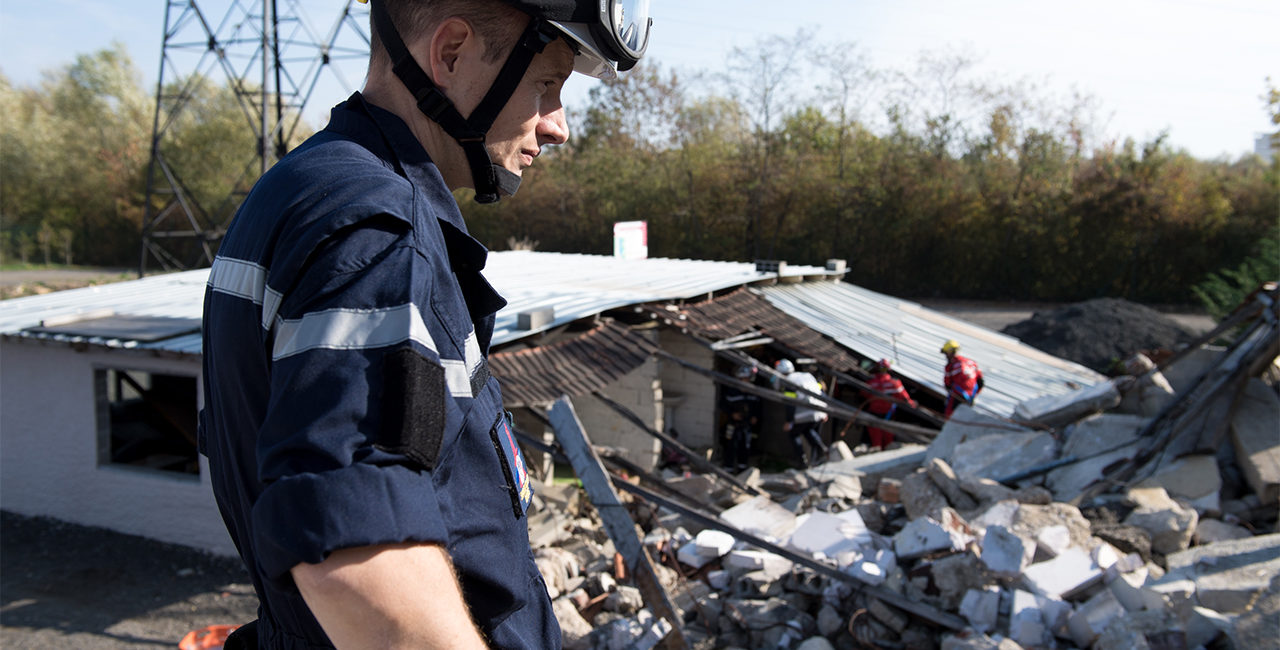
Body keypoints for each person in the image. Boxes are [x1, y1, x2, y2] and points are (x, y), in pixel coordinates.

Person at [199, 1, 651, 647]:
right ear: (451, 53)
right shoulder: (380, 229)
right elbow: (356, 553)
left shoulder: (299, 186)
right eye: (545, 86)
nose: (557, 127)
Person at [774, 358, 829, 467]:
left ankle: (802, 461)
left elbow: (790, 403)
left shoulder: (788, 382)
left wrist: (789, 421)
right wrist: (824, 411)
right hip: (818, 410)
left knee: (794, 434)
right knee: (808, 430)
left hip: (804, 412)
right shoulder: (806, 376)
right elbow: (821, 392)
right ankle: (823, 449)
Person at [863, 359, 916, 449]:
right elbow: (905, 399)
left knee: (876, 445)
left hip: (873, 416)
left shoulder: (870, 383)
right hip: (888, 417)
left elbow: (863, 395)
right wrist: (913, 404)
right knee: (888, 444)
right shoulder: (895, 383)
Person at [719, 363, 761, 472]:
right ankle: (728, 468)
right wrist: (732, 414)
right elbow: (723, 404)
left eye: (746, 379)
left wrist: (755, 416)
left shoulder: (753, 392)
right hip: (733, 423)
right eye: (742, 379)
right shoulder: (731, 391)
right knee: (730, 445)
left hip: (747, 425)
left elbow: (758, 406)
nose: (745, 381)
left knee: (745, 446)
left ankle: (742, 468)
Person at [941, 339, 984, 417]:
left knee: (950, 417)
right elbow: (981, 382)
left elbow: (947, 384)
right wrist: (973, 394)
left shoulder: (951, 366)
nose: (946, 356)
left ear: (950, 352)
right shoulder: (972, 363)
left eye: (946, 353)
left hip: (956, 397)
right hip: (970, 398)